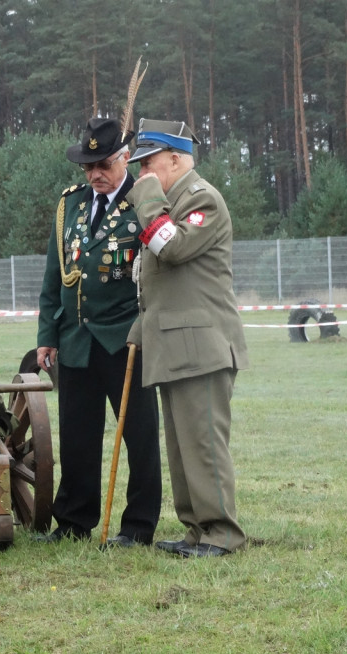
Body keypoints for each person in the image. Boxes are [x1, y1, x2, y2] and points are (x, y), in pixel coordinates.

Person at [125, 119, 249, 557]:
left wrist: (146, 199)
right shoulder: (171, 204)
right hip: (174, 344)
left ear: (176, 160)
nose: (141, 175)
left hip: (202, 345)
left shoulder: (201, 199)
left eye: (148, 165)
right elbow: (159, 280)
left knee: (203, 445)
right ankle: (197, 528)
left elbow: (172, 248)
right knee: (181, 448)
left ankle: (222, 533)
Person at [35, 117, 162, 547]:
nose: (95, 174)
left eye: (104, 164)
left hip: (126, 339)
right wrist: (47, 335)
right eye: (88, 166)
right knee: (76, 436)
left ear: (125, 159)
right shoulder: (70, 204)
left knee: (139, 437)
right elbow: (55, 275)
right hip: (76, 340)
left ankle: (138, 526)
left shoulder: (143, 202)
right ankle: (73, 521)